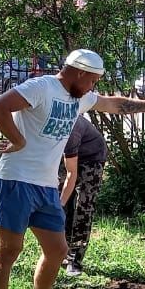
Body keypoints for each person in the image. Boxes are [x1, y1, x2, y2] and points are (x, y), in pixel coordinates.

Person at [0, 48, 145, 289]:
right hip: (15, 180)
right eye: (92, 80)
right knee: (10, 251)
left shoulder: (79, 97)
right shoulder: (41, 87)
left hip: (45, 186)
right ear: (79, 72)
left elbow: (113, 104)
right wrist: (18, 140)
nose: (93, 87)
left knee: (57, 250)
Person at [59, 115, 107, 277]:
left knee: (82, 208)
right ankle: (60, 252)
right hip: (69, 157)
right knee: (63, 205)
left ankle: (75, 260)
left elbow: (71, 175)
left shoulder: (71, 128)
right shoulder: (45, 121)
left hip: (92, 159)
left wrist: (59, 205)